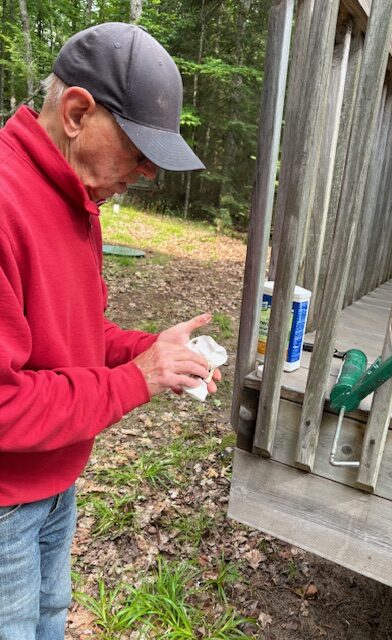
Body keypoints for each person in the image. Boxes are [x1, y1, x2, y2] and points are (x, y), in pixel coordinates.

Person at [0, 22, 220, 640]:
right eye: (139, 150)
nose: (147, 172)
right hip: (4, 503)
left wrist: (155, 351)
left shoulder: (79, 198)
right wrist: (136, 381)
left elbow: (74, 334)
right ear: (76, 112)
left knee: (47, 623)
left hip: (53, 488)